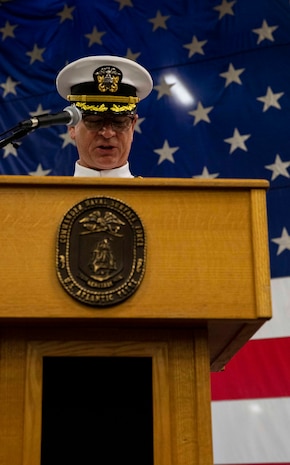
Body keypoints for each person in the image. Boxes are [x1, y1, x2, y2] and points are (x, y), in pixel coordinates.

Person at [56, 55, 153, 177]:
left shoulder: (159, 196)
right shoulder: (45, 196)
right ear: (72, 127)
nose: (108, 133)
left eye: (119, 122)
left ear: (132, 126)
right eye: (95, 121)